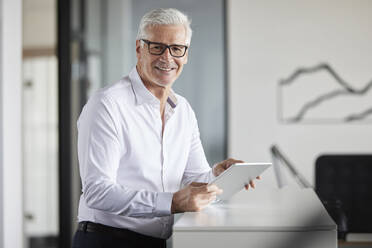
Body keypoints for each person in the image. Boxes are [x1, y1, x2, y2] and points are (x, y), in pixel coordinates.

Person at [72, 8, 258, 248]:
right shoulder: (107, 105)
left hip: (155, 242)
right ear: (139, 49)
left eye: (176, 48)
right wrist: (172, 202)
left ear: (186, 54)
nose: (167, 58)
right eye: (156, 47)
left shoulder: (183, 111)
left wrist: (218, 175)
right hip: (105, 240)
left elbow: (195, 177)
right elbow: (97, 191)